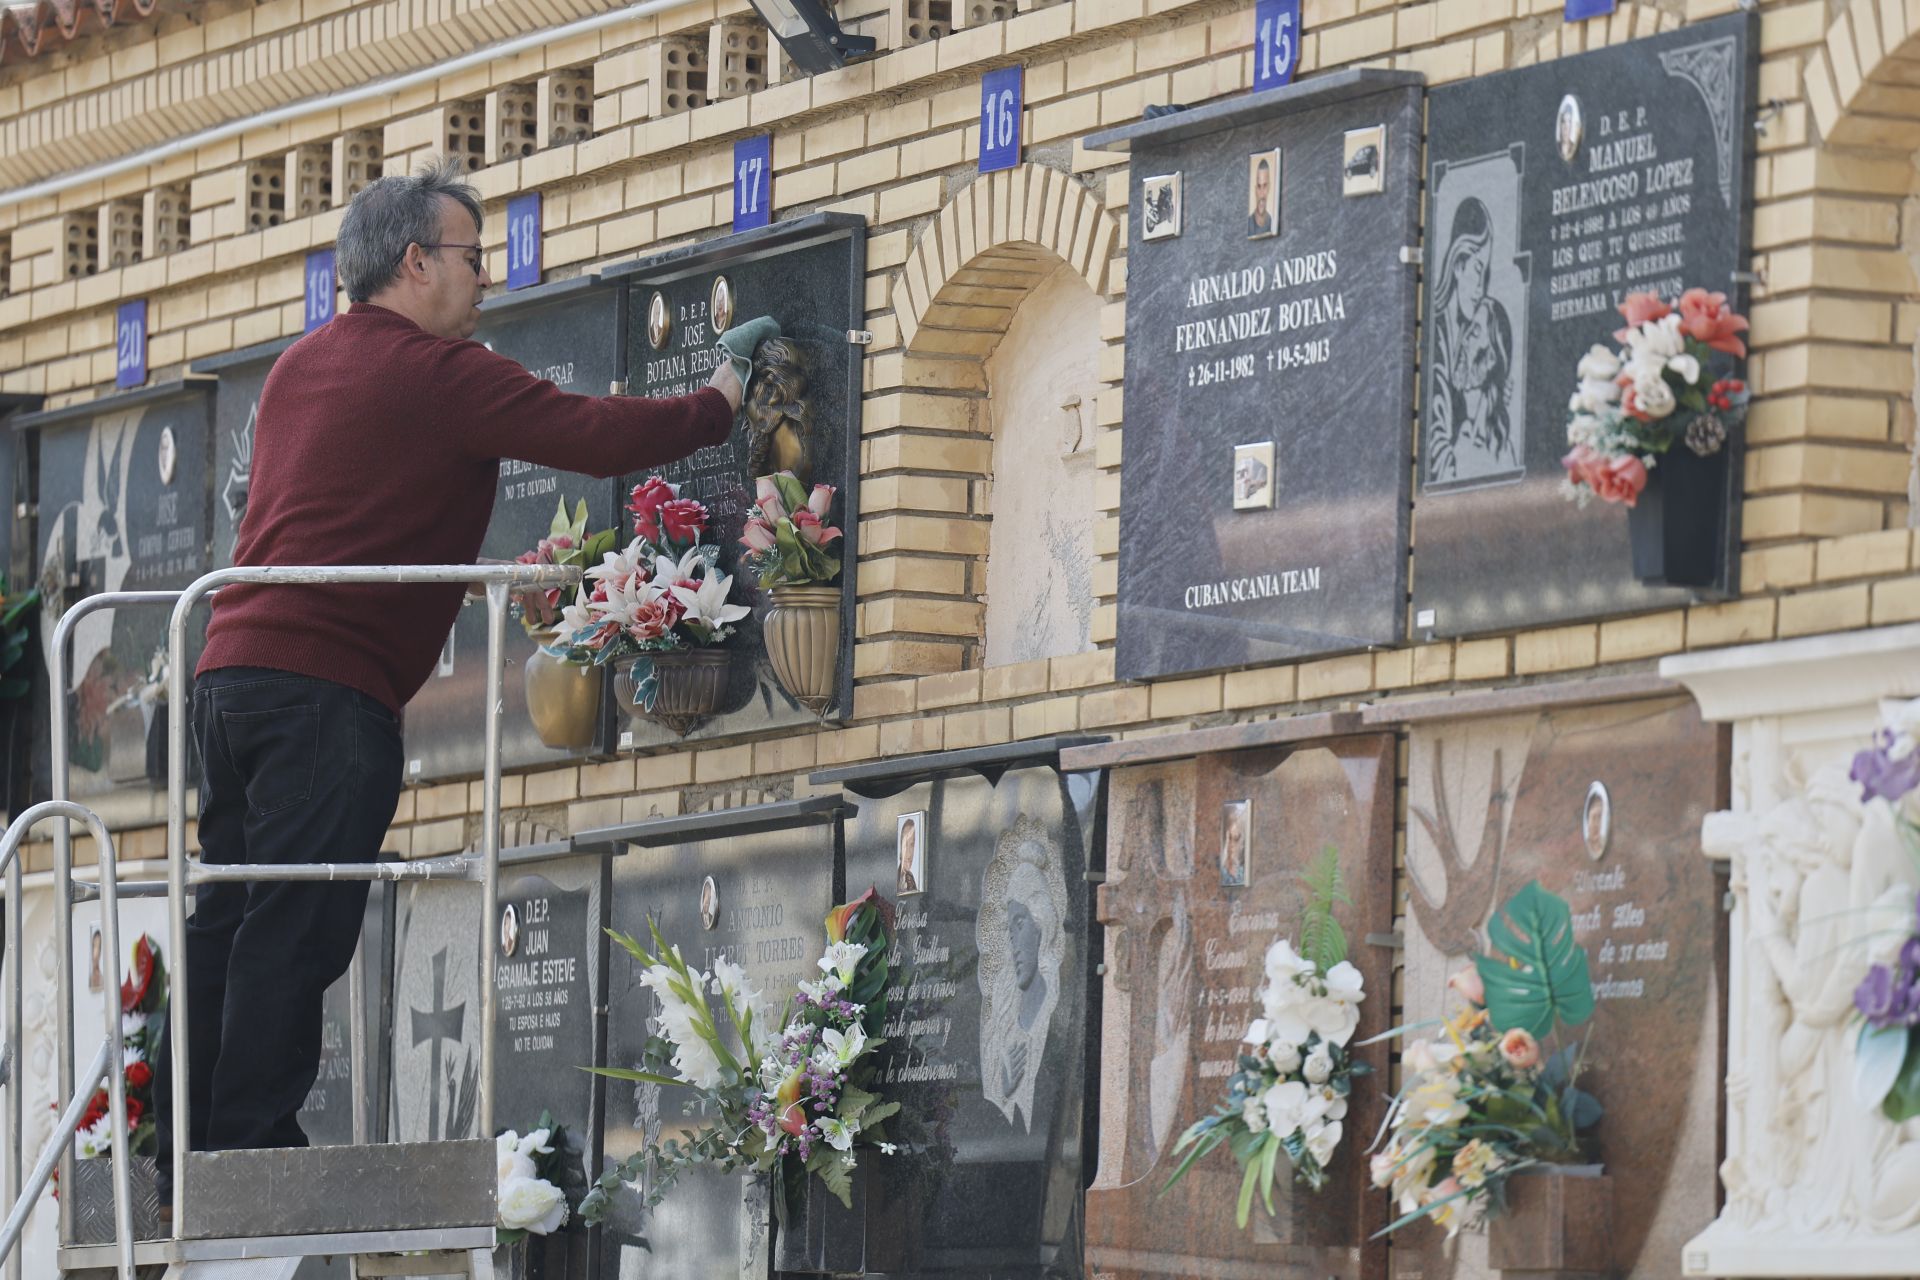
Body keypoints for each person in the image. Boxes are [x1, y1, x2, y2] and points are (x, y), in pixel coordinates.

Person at [154, 157, 769, 1202]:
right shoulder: (441, 373)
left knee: (228, 911)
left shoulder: (300, 364)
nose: (486, 277)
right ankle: (248, 1150)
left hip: (228, 671)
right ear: (415, 261)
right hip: (326, 690)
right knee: (294, 922)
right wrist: (720, 397)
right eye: (473, 256)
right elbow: (594, 435)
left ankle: (177, 1149)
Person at [1248, 156, 1275, 238]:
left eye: (1265, 186)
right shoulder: (1247, 224)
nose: (1262, 194)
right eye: (1259, 186)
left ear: (1269, 187)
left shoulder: (1273, 224)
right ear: (1255, 189)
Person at [897, 816, 921, 895]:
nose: (909, 852)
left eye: (912, 845)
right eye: (905, 844)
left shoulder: (912, 880)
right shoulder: (896, 878)